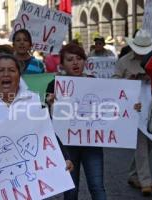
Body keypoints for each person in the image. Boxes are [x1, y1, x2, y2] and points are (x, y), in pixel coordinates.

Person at [0, 53, 73, 170]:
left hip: (29, 172)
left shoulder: (34, 100)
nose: (6, 74)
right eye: (0, 70)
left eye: (12, 70)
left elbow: (49, 133)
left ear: (19, 75)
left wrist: (65, 157)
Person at [45, 43, 107, 200]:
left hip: (92, 142)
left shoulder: (95, 81)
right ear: (62, 64)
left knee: (97, 187)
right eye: (70, 59)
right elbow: (47, 117)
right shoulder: (54, 85)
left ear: (85, 61)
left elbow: (109, 105)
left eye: (79, 58)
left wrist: (132, 106)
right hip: (67, 145)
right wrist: (50, 103)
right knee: (71, 190)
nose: (75, 63)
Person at [112, 29, 152, 196]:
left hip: (150, 106)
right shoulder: (123, 61)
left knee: (148, 142)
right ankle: (146, 181)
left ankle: (133, 174)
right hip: (132, 107)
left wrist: (149, 77)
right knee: (141, 143)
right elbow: (114, 81)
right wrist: (128, 81)